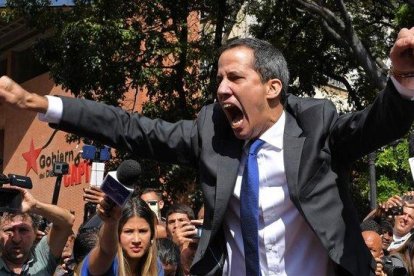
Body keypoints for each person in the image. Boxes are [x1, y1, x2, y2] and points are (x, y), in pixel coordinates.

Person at [1, 27, 414, 275]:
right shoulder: (210, 134)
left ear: (273, 88)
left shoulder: (317, 125)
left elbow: (380, 123)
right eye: (218, 79)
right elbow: (132, 127)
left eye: (235, 77)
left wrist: (403, 76)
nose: (220, 90)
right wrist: (47, 106)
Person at [0, 187, 75, 275]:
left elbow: (67, 221)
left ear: (35, 232)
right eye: (9, 230)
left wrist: (34, 205)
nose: (16, 239)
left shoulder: (42, 255)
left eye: (23, 230)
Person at [80, 196, 163, 275]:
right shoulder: (106, 263)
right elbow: (106, 251)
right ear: (117, 234)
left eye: (143, 231)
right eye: (128, 232)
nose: (136, 240)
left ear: (152, 234)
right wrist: (111, 223)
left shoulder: (156, 266)